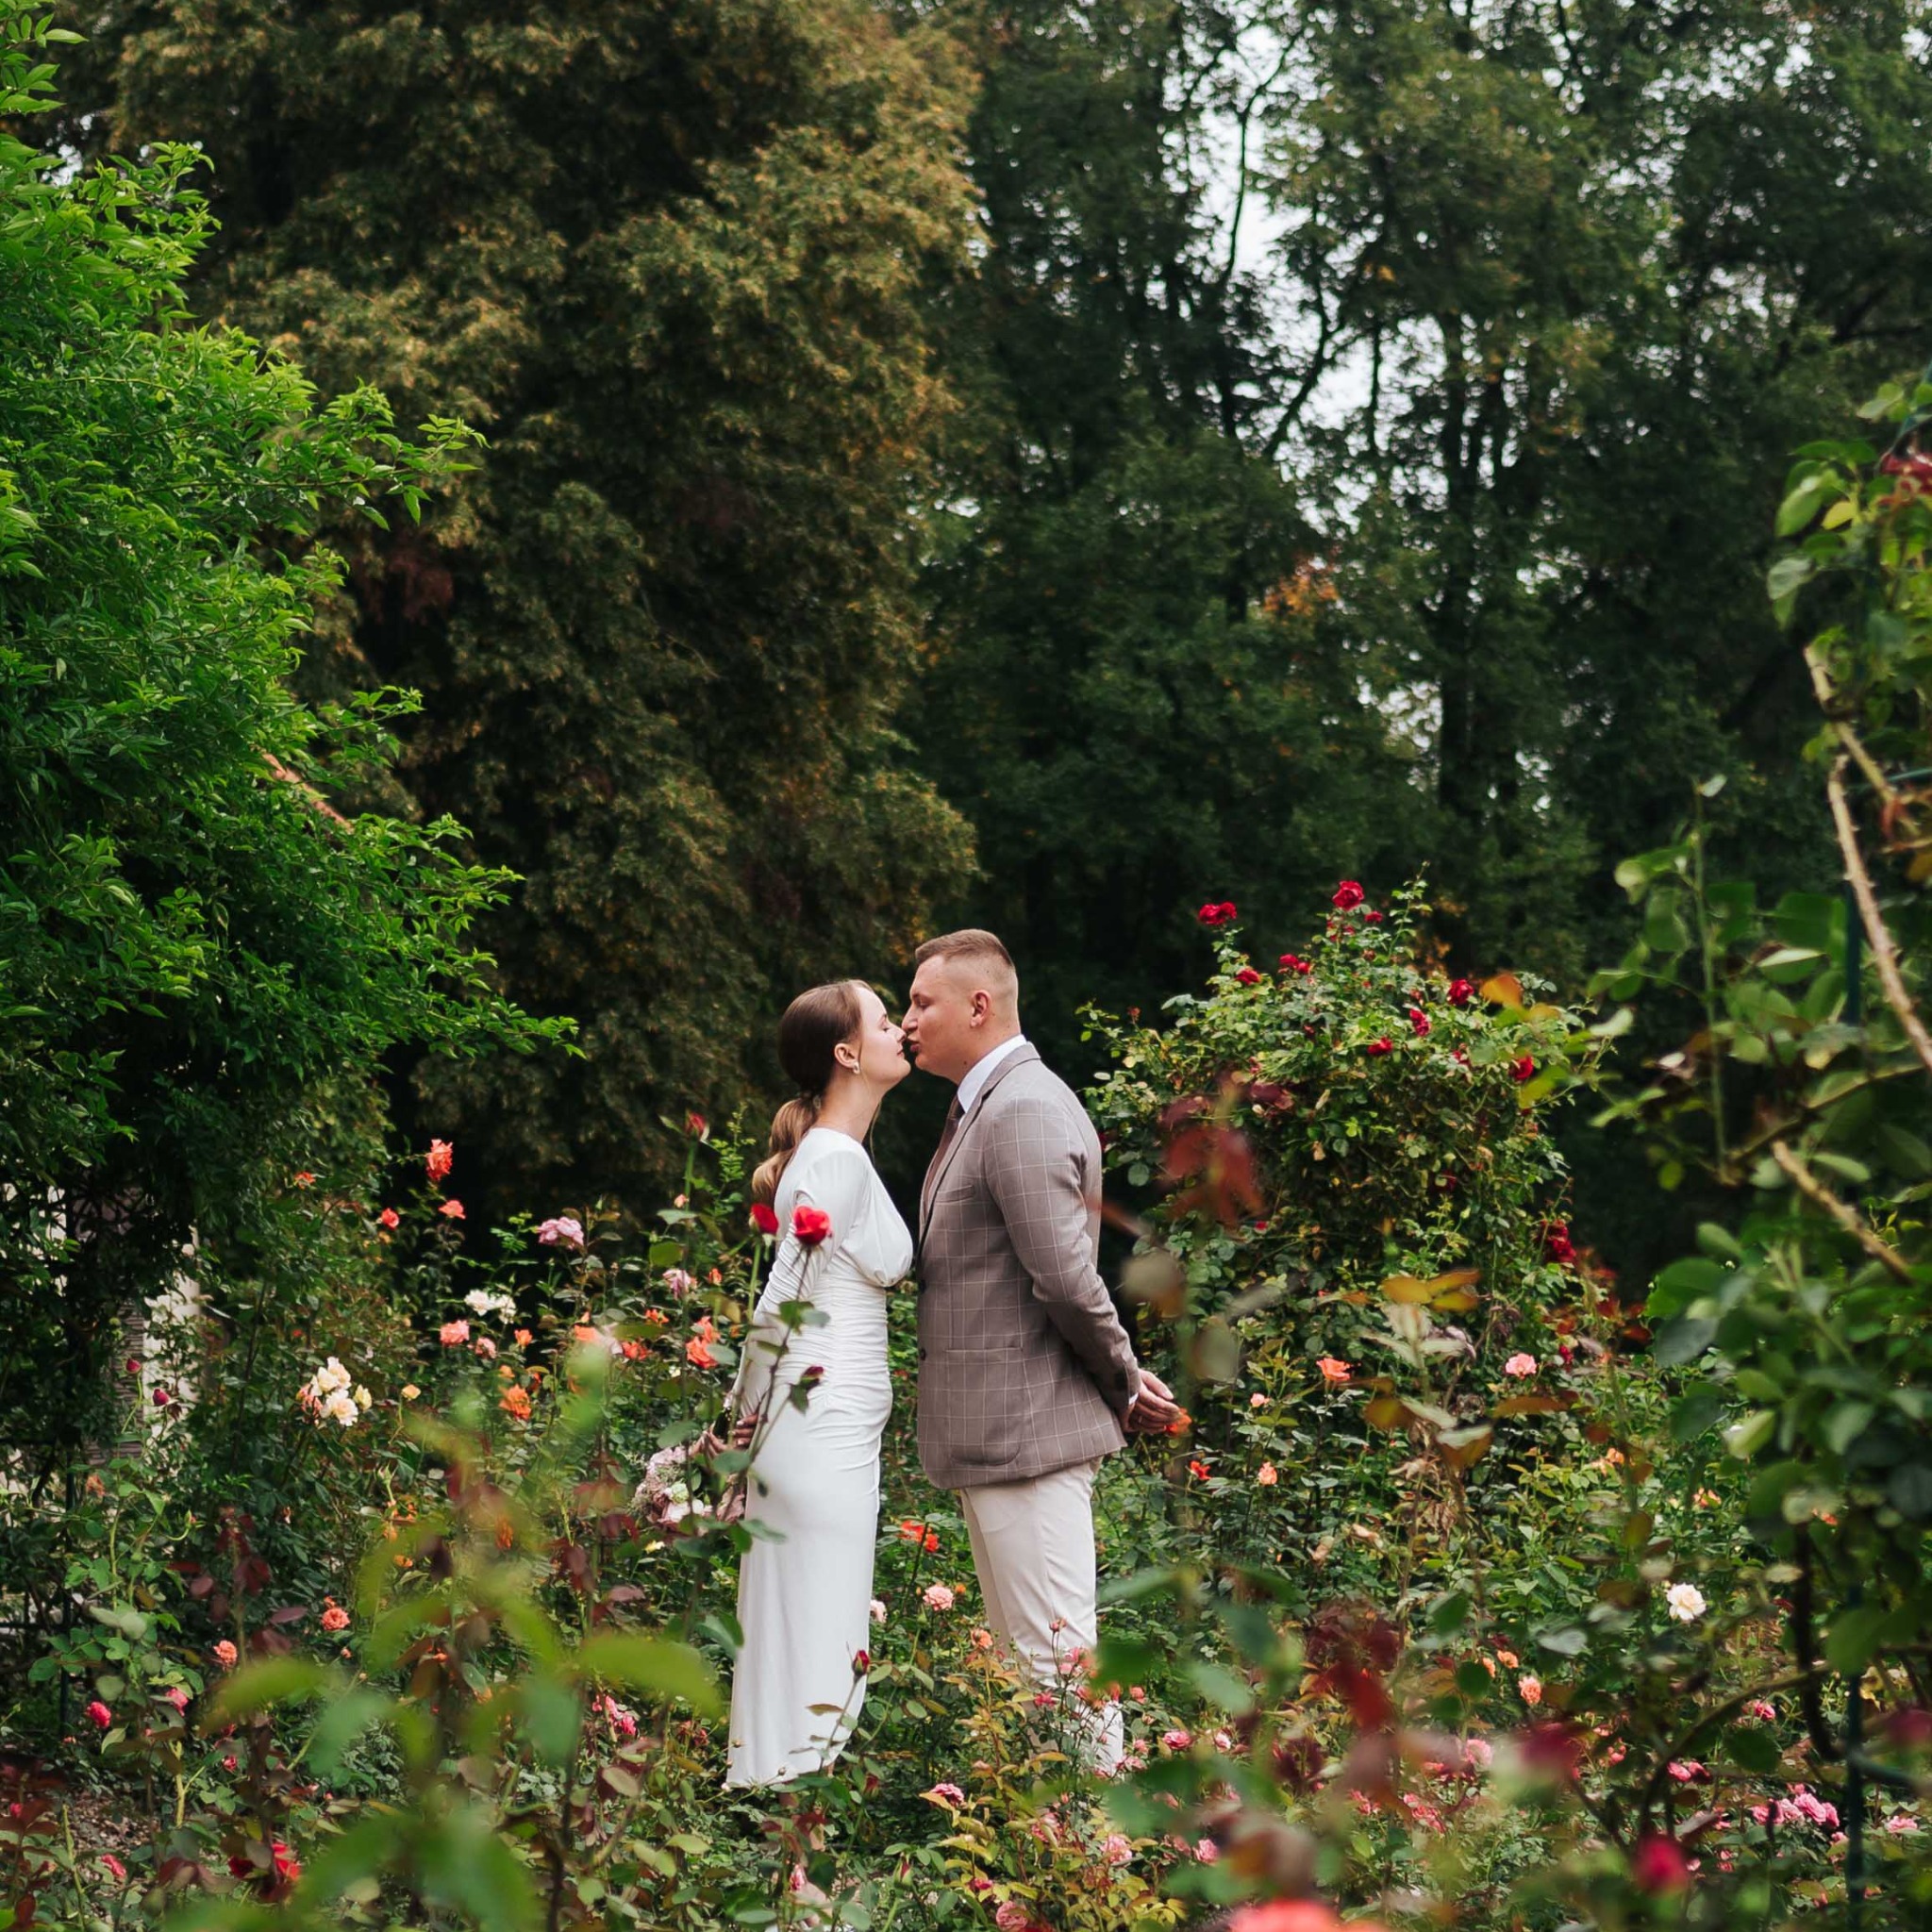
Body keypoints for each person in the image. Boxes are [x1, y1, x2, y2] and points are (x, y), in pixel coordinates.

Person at [902, 928, 1180, 1770]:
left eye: (922, 1003)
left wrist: (1125, 1380)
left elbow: (1064, 1279)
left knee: (1060, 1672)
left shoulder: (1021, 1107)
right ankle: (1059, 1864)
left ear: (978, 1006)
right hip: (1000, 1442)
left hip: (1029, 1438)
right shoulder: (988, 1105)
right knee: (1034, 1677)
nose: (907, 1019)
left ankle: (1103, 1864)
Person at [723, 979, 913, 1787]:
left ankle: (781, 1820)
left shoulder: (838, 1155)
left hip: (832, 1429)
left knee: (810, 1629)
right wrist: (738, 1416)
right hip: (819, 1429)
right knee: (817, 1638)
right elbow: (780, 1302)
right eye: (884, 1019)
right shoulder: (833, 1156)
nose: (901, 1029)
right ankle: (786, 1824)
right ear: (847, 1053)